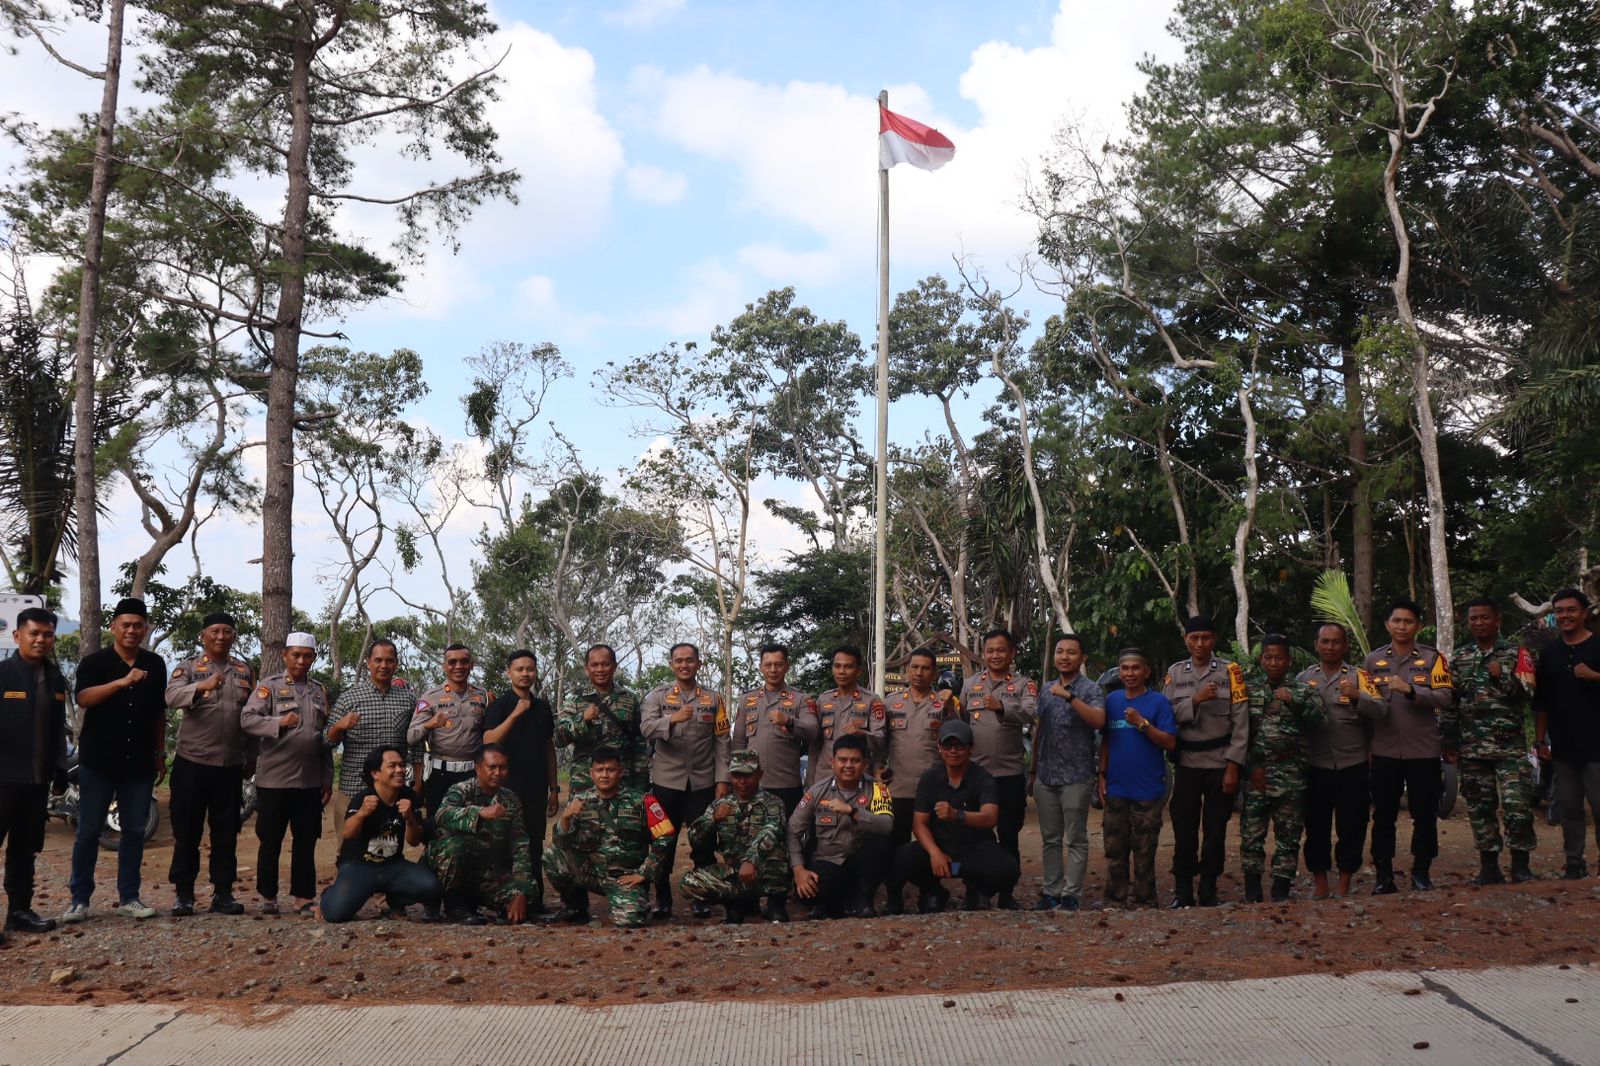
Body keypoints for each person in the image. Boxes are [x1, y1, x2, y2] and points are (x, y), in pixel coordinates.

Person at [65, 597, 167, 923]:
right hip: (98, 761)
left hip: (139, 763)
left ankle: (129, 897)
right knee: (88, 831)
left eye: (138, 625)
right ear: (113, 627)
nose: (131, 630)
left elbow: (159, 713)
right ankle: (79, 900)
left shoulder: (155, 664)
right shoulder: (94, 663)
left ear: (145, 629)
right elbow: (84, 698)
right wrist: (122, 682)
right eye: (125, 625)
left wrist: (160, 754)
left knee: (134, 831)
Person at [164, 611, 256, 917]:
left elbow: (251, 716)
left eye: (227, 631)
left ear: (233, 636)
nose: (221, 636)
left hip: (230, 766)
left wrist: (252, 756)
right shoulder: (189, 667)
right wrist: (201, 687)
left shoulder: (244, 671)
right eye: (215, 631)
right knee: (187, 831)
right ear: (203, 635)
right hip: (192, 763)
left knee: (226, 831)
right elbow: (171, 697)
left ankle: (223, 893)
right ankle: (184, 894)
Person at [1446, 598, 1539, 885]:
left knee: (1517, 806)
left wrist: (1504, 677)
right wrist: (1448, 741)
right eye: (1473, 618)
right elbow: (1450, 702)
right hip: (1472, 747)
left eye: (1484, 617)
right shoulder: (1459, 657)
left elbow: (1530, 693)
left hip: (1510, 748)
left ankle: (1521, 866)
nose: (1478, 623)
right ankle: (1489, 868)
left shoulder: (1517, 653)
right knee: (1480, 808)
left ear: (1497, 620)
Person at [1364, 597, 1453, 893]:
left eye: (1408, 621)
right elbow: (1366, 705)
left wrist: (1412, 690)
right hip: (1384, 750)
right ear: (1387, 624)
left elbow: (1445, 698)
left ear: (1419, 626)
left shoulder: (1433, 659)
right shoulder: (1372, 660)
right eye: (1396, 621)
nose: (1402, 626)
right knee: (1383, 815)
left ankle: (1421, 873)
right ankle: (1384, 876)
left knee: (1424, 814)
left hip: (1423, 750)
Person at [240, 631, 332, 914]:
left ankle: (303, 896)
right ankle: (268, 896)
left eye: (307, 656)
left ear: (314, 658)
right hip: (274, 780)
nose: (301, 661)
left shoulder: (319, 690)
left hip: (309, 780)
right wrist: (278, 722)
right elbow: (247, 719)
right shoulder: (269, 686)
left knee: (306, 839)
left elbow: (325, 738)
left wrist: (327, 777)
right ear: (285, 656)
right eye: (296, 655)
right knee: (271, 840)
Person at [639, 643, 731, 919]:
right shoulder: (657, 696)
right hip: (666, 782)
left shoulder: (713, 699)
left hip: (702, 783)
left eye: (689, 660)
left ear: (699, 664)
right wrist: (672, 719)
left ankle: (701, 896)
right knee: (662, 840)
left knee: (703, 842)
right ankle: (662, 897)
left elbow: (722, 741)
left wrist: (722, 779)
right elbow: (646, 728)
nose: (684, 665)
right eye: (678, 661)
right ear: (671, 665)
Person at [1162, 615, 1247, 908]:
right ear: (1186, 640)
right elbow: (1165, 715)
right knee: (1184, 828)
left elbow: (1241, 722)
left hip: (1220, 763)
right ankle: (1183, 889)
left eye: (1206, 638)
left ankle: (1209, 888)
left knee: (1216, 828)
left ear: (1214, 640)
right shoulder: (1175, 673)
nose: (1200, 643)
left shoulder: (1231, 672)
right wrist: (1195, 700)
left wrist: (1234, 766)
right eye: (1194, 638)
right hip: (1187, 762)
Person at [893, 719, 1020, 913]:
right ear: (939, 748)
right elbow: (919, 824)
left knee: (1009, 868)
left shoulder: (983, 778)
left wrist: (957, 815)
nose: (953, 751)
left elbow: (990, 818)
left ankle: (979, 890)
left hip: (973, 849)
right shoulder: (929, 778)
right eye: (947, 745)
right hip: (940, 847)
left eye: (959, 745)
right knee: (902, 858)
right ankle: (933, 891)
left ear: (970, 748)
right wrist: (934, 852)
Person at [1298, 623, 1386, 898]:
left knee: (1353, 824)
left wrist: (1358, 696)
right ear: (1316, 644)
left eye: (1336, 642)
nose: (1330, 647)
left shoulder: (1360, 676)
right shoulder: (1303, 678)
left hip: (1352, 763)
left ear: (1345, 646)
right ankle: (1320, 881)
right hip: (1316, 764)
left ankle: (1345, 881)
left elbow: (1381, 709)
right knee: (1316, 826)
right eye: (1325, 641)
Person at [542, 746, 673, 929]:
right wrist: (565, 817)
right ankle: (576, 906)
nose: (604, 775)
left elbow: (665, 837)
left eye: (610, 770)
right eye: (599, 770)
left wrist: (644, 873)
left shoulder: (642, 801)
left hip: (625, 878)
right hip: (591, 873)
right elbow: (561, 843)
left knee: (630, 920)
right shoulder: (580, 801)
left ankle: (633, 902)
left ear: (621, 772)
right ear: (591, 773)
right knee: (551, 855)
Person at [1239, 635, 1325, 903]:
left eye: (1279, 658)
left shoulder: (1303, 690)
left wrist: (1295, 702)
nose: (1273, 663)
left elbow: (1321, 722)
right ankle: (1252, 891)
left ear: (1288, 660)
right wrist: (1251, 767)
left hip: (1292, 776)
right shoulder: (1248, 689)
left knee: (1288, 836)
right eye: (1268, 657)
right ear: (1261, 659)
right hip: (1257, 775)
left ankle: (1281, 890)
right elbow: (1238, 732)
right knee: (1251, 835)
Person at [871, 647, 955, 915]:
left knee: (929, 846)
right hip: (897, 789)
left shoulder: (944, 704)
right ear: (907, 670)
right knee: (894, 847)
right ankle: (894, 897)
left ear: (934, 673)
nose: (919, 673)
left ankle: (931, 893)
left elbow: (956, 742)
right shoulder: (890, 703)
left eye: (925, 668)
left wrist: (950, 708)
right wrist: (877, 769)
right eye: (914, 667)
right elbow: (880, 744)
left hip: (933, 792)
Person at [958, 629, 1038, 910]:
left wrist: (1002, 705)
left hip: (1009, 775)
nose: (995, 655)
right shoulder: (970, 685)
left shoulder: (1024, 684)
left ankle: (1006, 893)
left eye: (1001, 650)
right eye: (990, 650)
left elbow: (1031, 712)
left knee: (1009, 835)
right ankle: (974, 891)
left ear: (1012, 653)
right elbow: (962, 723)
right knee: (974, 837)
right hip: (976, 776)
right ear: (984, 653)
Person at [0, 606, 68, 936]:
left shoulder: (55, 678)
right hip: (3, 779)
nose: (41, 639)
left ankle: (19, 912)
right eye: (34, 633)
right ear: (17, 636)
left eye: (48, 634)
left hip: (36, 781)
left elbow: (57, 729)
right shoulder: (3, 674)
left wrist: (60, 770)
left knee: (25, 850)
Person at [320, 746, 441, 923]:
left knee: (431, 886)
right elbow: (348, 833)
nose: (399, 770)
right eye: (392, 766)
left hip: (393, 865)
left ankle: (395, 901)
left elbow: (414, 841)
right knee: (336, 914)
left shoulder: (408, 797)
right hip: (358, 865)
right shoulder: (363, 798)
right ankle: (330, 894)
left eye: (401, 765)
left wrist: (410, 819)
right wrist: (362, 813)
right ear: (375, 773)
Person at [1032, 634, 1106, 912]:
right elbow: (1040, 729)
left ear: (1082, 657)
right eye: (1060, 651)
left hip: (1076, 776)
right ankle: (1051, 892)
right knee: (1050, 839)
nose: (1064, 657)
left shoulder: (1090, 689)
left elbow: (1099, 720)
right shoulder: (1046, 688)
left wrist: (1071, 697)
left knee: (1075, 838)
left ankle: (1071, 894)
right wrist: (1033, 769)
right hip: (1046, 776)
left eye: (1071, 652)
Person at [482, 649, 558, 914]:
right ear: (509, 672)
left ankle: (534, 901)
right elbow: (489, 741)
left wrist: (554, 788)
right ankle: (504, 900)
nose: (525, 674)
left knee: (534, 844)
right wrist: (515, 714)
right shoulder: (499, 706)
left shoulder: (543, 707)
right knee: (504, 845)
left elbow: (549, 748)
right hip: (505, 789)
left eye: (530, 669)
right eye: (519, 669)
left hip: (536, 788)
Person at [1100, 649, 1177, 908]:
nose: (1130, 673)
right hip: (1116, 788)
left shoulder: (1159, 703)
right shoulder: (1112, 701)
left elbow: (1169, 742)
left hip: (1148, 790)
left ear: (1146, 672)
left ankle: (1145, 900)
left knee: (1144, 851)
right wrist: (1101, 774)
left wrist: (1142, 723)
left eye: (1135, 668)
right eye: (1125, 668)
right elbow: (1107, 741)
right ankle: (1115, 899)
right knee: (1114, 850)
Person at [1533, 588, 1600, 880]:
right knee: (1569, 808)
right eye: (1559, 611)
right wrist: (1539, 740)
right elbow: (1541, 702)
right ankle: (1574, 863)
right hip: (1563, 745)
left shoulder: (1598, 645)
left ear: (1584, 613)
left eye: (1571, 610)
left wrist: (1594, 676)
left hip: (1597, 745)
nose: (1565, 616)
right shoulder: (1550, 653)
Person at [788, 734, 893, 919]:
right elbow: (793, 831)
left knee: (882, 844)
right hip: (828, 860)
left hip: (860, 864)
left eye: (855, 761)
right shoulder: (817, 791)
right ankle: (833, 903)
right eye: (843, 760)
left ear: (865, 764)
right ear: (833, 762)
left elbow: (886, 826)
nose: (848, 766)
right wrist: (798, 869)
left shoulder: (878, 789)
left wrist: (853, 811)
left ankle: (863, 899)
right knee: (811, 891)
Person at [679, 750, 789, 924]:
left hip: (763, 868)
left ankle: (775, 905)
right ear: (730, 776)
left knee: (777, 854)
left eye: (748, 775)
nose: (742, 781)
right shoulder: (719, 805)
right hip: (735, 871)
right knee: (689, 883)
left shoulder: (773, 803)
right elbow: (695, 840)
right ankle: (736, 903)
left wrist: (751, 859)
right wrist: (712, 820)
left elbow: (773, 830)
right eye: (737, 776)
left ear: (759, 774)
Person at [426, 745, 533, 924]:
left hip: (486, 872)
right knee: (454, 847)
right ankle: (453, 904)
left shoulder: (511, 799)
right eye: (492, 767)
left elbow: (520, 846)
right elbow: (442, 815)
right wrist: (479, 813)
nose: (498, 773)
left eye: (502, 767)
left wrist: (520, 892)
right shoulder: (461, 790)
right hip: (453, 864)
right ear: (478, 768)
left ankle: (477, 901)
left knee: (530, 893)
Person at [324, 638, 414, 835]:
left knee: (389, 846)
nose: (384, 665)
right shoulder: (348, 698)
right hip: (354, 788)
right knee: (348, 847)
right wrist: (339, 726)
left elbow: (415, 743)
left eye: (389, 660)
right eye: (378, 660)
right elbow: (326, 742)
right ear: (368, 662)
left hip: (392, 794)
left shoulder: (408, 700)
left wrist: (418, 784)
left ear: (396, 664)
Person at [733, 644, 816, 817]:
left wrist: (789, 721)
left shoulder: (801, 699)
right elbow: (739, 743)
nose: (773, 670)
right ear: (760, 667)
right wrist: (737, 779)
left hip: (786, 785)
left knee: (788, 831)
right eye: (768, 664)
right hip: (752, 786)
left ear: (787, 666)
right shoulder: (747, 700)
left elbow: (813, 731)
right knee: (751, 831)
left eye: (778, 664)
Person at [408, 643, 492, 815]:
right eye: (452, 662)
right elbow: (411, 737)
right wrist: (429, 724)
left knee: (474, 824)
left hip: (473, 774)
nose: (459, 666)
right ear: (444, 666)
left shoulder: (484, 696)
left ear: (472, 665)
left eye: (464, 661)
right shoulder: (430, 697)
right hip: (440, 774)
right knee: (438, 825)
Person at [556, 644, 648, 794]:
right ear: (586, 669)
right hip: (584, 783)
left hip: (623, 784)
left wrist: (640, 782)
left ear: (614, 666)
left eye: (605, 664)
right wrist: (582, 720)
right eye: (594, 665)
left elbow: (639, 742)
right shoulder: (575, 700)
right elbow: (558, 739)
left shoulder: (629, 699)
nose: (600, 669)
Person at [806, 645, 887, 784]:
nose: (842, 671)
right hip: (825, 777)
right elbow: (815, 744)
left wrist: (862, 734)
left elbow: (881, 740)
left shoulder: (872, 701)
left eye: (848, 667)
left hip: (858, 779)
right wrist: (810, 780)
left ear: (859, 671)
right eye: (837, 666)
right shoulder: (823, 700)